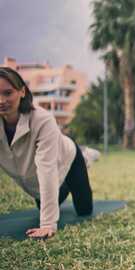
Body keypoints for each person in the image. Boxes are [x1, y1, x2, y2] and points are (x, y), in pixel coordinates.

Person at [0, 67, 93, 239]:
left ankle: (84, 156)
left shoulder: (42, 119)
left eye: (7, 93)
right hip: (37, 180)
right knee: (52, 199)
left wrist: (48, 224)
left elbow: (46, 169)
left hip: (68, 157)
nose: (1, 100)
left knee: (84, 210)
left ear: (22, 91)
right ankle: (62, 181)